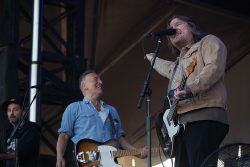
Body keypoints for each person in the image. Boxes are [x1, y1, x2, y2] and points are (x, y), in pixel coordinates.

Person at [146, 15, 229, 167]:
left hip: (203, 117)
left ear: (192, 27)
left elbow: (214, 68)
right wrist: (152, 58)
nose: (173, 28)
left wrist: (191, 88)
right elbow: (168, 68)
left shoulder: (208, 42)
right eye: (170, 27)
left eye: (178, 24)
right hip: (182, 126)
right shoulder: (179, 64)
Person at [56, 70, 147, 167]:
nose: (101, 82)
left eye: (100, 79)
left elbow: (120, 139)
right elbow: (64, 136)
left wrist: (137, 152)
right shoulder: (74, 108)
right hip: (87, 163)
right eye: (96, 79)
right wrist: (59, 156)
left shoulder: (111, 110)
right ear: (84, 86)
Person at [0, 98, 41, 167]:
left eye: (15, 110)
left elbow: (21, 153)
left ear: (23, 112)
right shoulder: (8, 131)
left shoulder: (32, 130)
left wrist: (2, 156)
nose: (11, 113)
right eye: (9, 110)